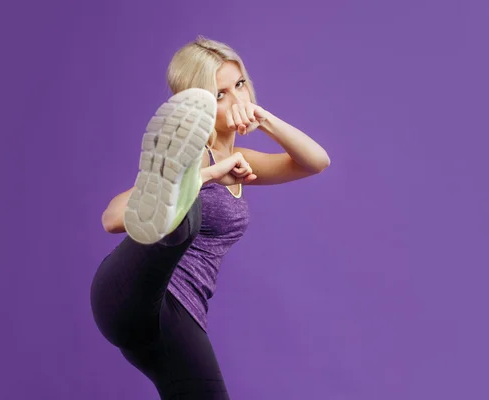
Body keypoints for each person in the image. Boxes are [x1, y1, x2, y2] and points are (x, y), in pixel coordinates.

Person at [90, 36, 330, 399]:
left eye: (240, 85)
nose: (237, 101)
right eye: (219, 95)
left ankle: (181, 202)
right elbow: (112, 218)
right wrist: (203, 176)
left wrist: (263, 119)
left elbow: (316, 161)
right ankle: (181, 200)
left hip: (173, 318)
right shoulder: (195, 157)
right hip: (132, 289)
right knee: (185, 208)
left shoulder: (242, 158)